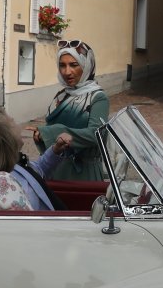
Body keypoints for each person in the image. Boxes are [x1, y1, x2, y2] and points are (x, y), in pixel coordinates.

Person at [26, 40, 109, 182]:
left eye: (73, 65)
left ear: (86, 65)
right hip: (56, 169)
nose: (67, 72)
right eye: (62, 65)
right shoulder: (62, 95)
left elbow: (96, 134)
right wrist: (41, 135)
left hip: (83, 174)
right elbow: (50, 128)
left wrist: (54, 132)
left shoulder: (98, 97)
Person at [0, 109, 71, 211]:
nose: (19, 126)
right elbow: (28, 220)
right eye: (13, 122)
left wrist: (55, 151)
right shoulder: (6, 181)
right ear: (4, 139)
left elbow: (34, 172)